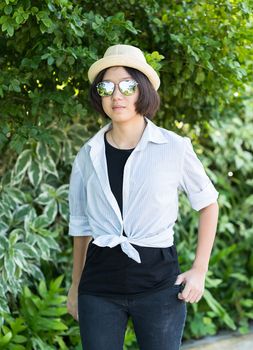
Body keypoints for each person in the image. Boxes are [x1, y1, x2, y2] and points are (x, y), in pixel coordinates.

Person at [67, 44, 219, 350]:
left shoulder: (174, 147)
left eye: (128, 86)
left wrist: (199, 270)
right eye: (106, 87)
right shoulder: (88, 154)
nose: (117, 95)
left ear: (143, 91)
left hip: (159, 282)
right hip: (99, 284)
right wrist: (75, 286)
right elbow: (81, 225)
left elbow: (208, 204)